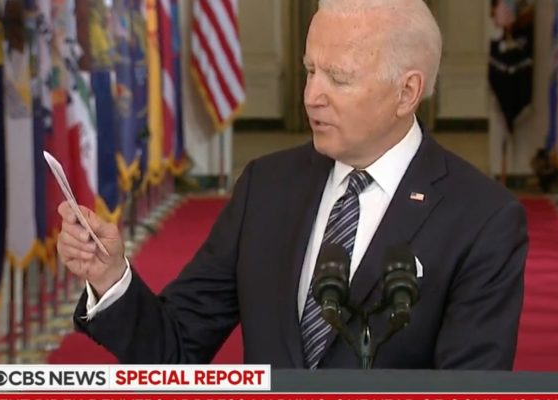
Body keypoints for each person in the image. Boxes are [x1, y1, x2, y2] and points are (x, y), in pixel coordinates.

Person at [58, 0, 528, 369]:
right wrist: (110, 277)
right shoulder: (265, 187)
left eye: (338, 78)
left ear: (406, 92)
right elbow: (175, 349)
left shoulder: (482, 219)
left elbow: (469, 387)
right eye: (310, 71)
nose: (311, 96)